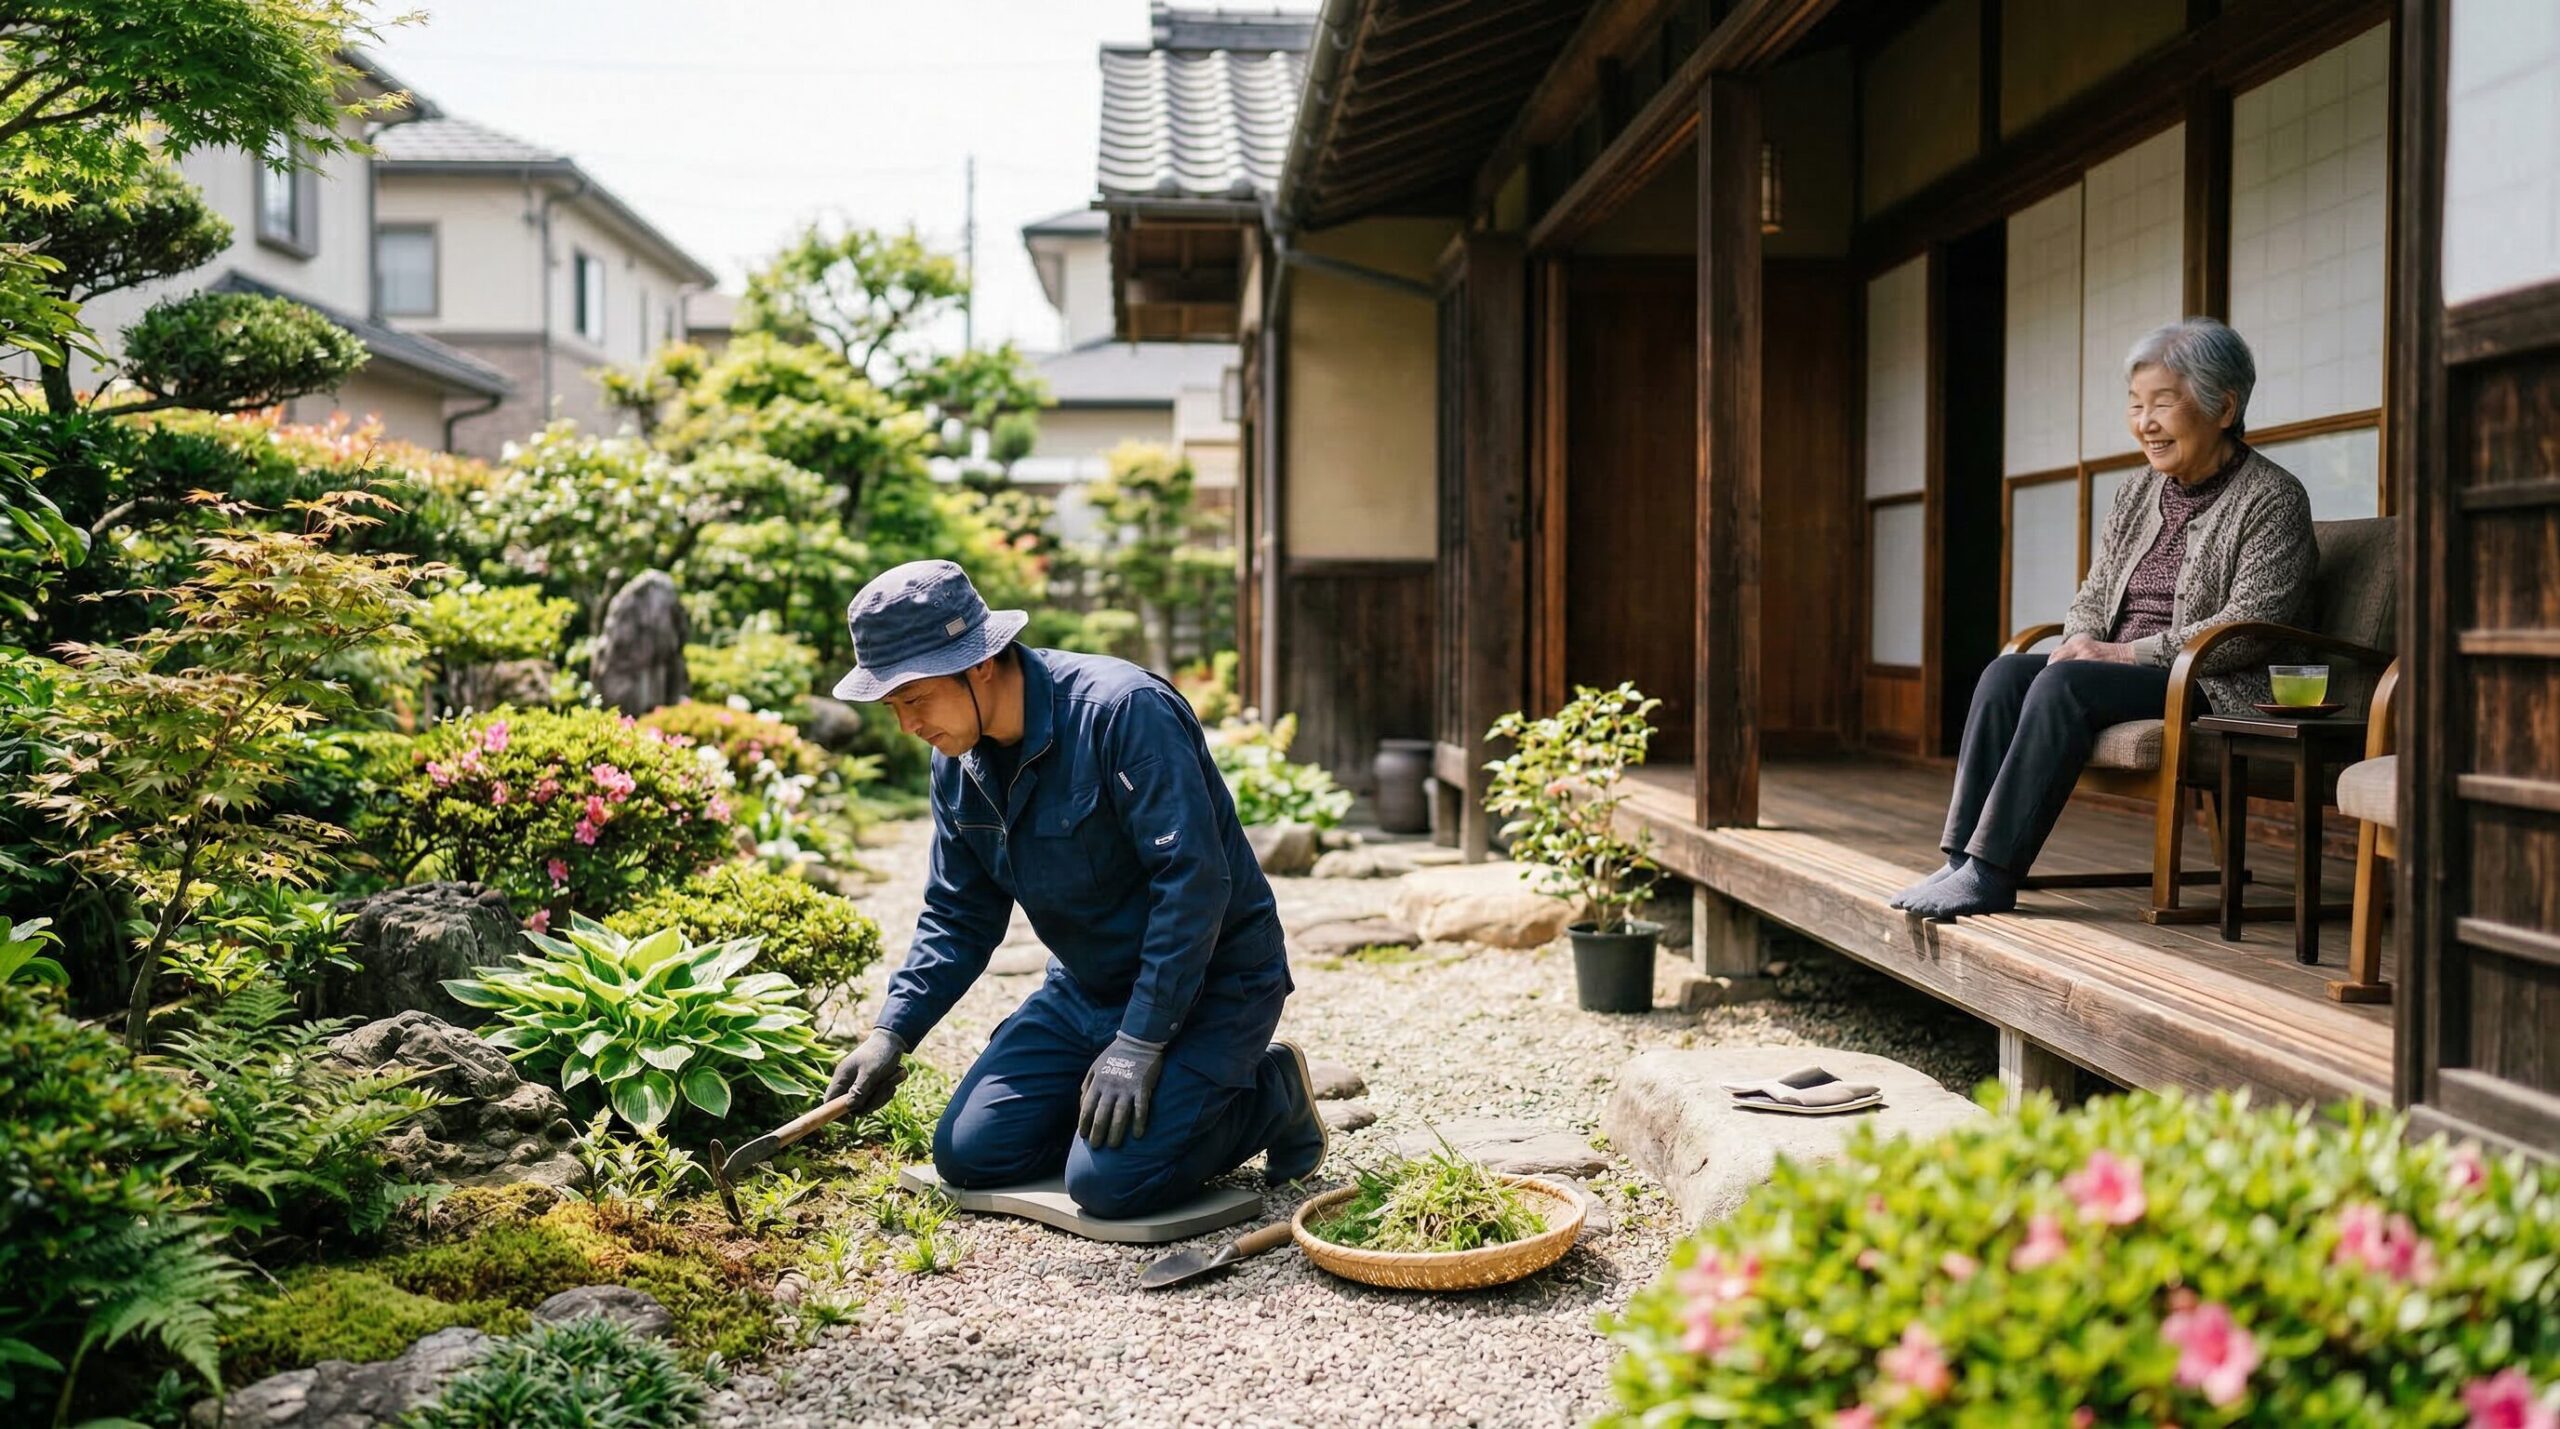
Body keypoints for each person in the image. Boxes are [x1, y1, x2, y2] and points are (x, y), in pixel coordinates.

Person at [820, 559, 1327, 1219]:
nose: (907, 726)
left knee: (1110, 1185)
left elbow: (1193, 884)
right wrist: (893, 1031)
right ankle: (1137, 1112)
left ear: (979, 663)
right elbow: (958, 915)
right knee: (970, 1154)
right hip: (1086, 989)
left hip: (1214, 982)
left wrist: (1143, 1041)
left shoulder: (1123, 711)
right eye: (893, 707)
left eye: (914, 699)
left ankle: (1269, 1091)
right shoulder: (957, 761)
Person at [1893, 316, 2316, 920]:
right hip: (2119, 674)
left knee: (2068, 683)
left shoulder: (2273, 498)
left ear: (2223, 407)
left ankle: (1992, 872)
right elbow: (2095, 591)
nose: (2144, 422)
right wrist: (2082, 639)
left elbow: (2248, 624)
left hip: (2209, 682)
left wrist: (2117, 655)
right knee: (2005, 673)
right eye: (2136, 404)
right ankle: (1961, 856)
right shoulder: (2137, 491)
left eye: (2162, 404)